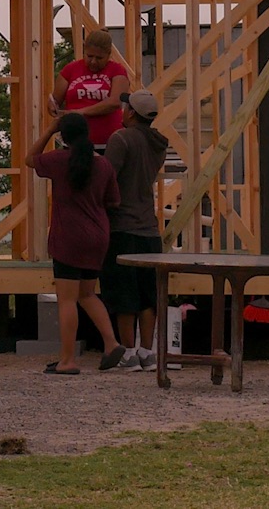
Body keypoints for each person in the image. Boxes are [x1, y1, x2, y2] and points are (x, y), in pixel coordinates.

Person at [26, 112, 126, 374]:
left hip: (69, 237)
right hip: (98, 236)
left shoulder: (59, 161)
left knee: (67, 300)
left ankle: (67, 360)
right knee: (87, 293)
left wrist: (49, 130)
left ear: (63, 137)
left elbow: (29, 160)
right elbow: (114, 202)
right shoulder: (103, 165)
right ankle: (111, 343)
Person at [101, 88, 168, 371]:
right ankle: (146, 352)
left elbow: (106, 178)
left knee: (124, 294)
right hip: (149, 230)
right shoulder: (158, 143)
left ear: (130, 112)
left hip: (123, 227)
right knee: (147, 294)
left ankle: (128, 353)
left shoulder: (121, 139)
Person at [52, 28, 130, 147]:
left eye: (99, 58)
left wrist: (79, 112)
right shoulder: (70, 70)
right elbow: (56, 100)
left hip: (108, 143)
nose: (93, 62)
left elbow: (114, 102)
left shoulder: (117, 70)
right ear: (84, 51)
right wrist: (52, 106)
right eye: (89, 56)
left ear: (108, 55)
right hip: (74, 143)